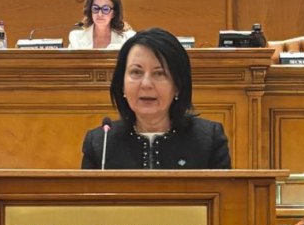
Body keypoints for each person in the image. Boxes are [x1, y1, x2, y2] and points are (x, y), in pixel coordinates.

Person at [81, 28, 232, 169]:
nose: (146, 84)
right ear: (122, 84)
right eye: (136, 72)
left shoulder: (208, 140)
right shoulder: (101, 143)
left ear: (178, 85)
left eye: (159, 73)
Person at [68, 0, 136, 49]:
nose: (99, 14)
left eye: (105, 9)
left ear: (114, 13)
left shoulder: (128, 38)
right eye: (95, 8)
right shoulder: (76, 38)